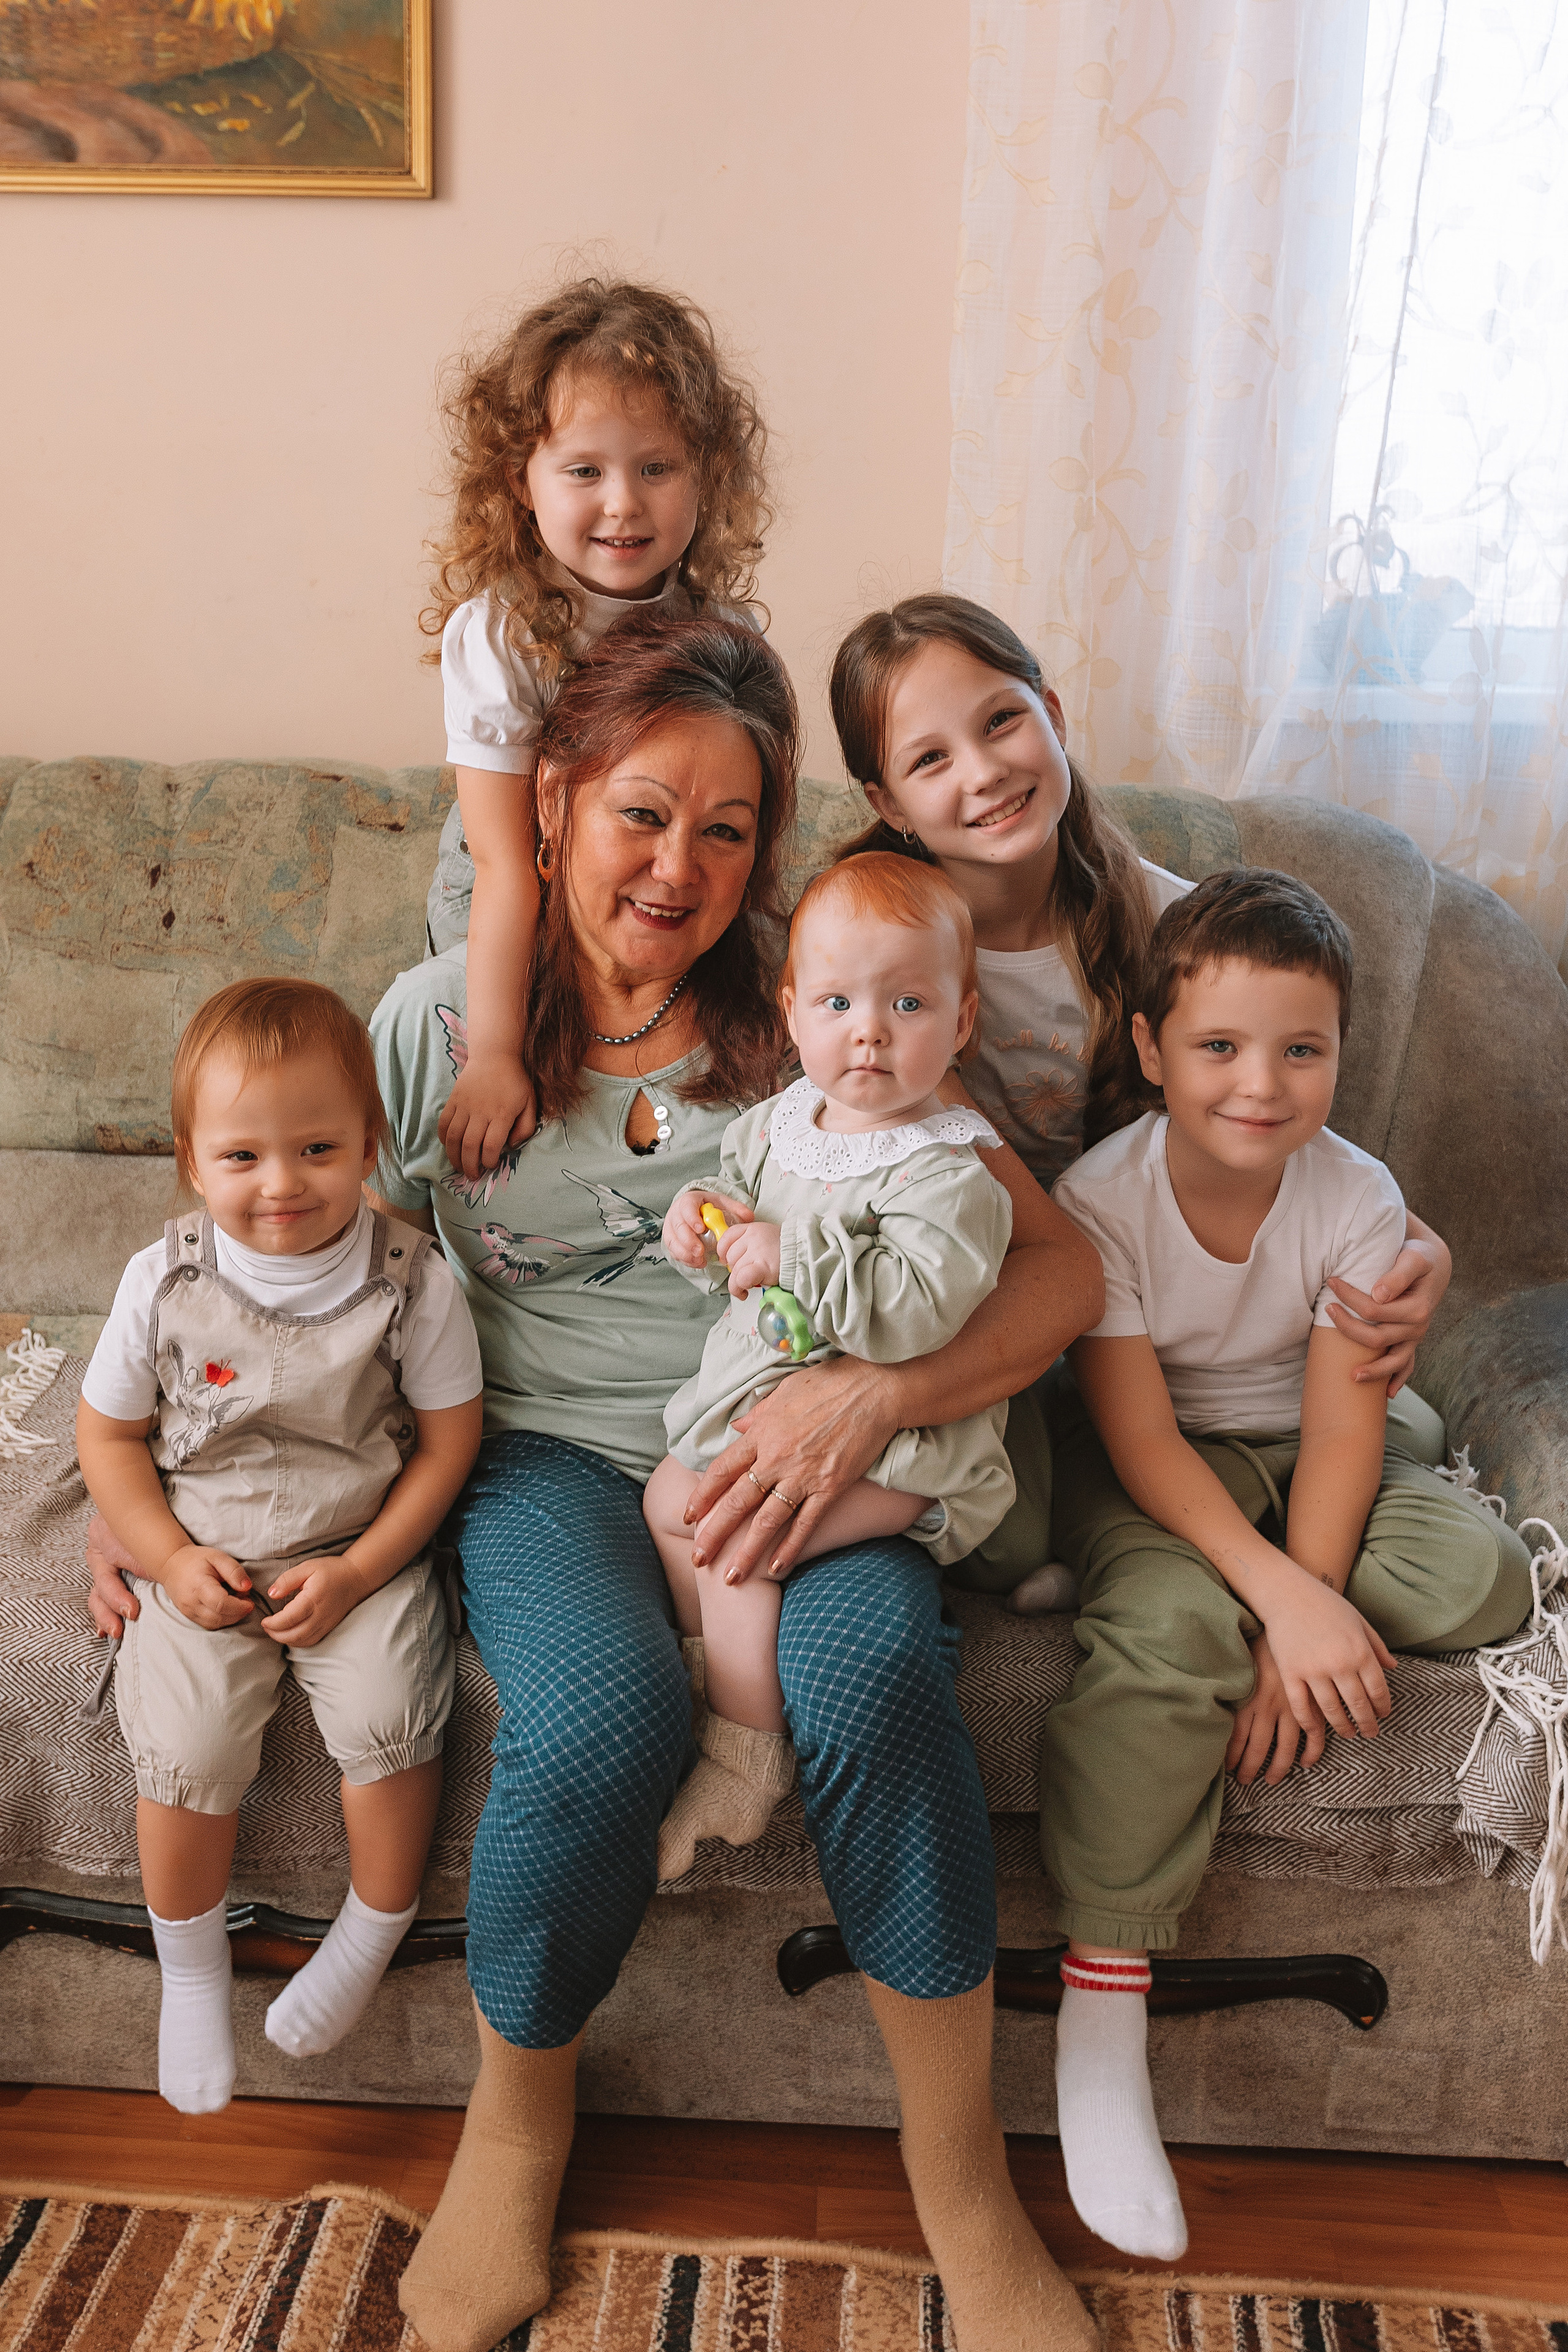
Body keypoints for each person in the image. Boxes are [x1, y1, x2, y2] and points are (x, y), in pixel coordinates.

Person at [360, 605, 1104, 2352]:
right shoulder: (434, 1027)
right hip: (544, 1459)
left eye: (725, 827)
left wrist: (875, 1400)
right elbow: (335, 1287)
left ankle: (959, 2178)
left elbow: (1063, 1274)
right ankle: (516, 2124)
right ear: (553, 811)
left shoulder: (821, 1017)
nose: (677, 865)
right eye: (641, 812)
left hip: (801, 1436)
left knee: (868, 1687)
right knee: (606, 1711)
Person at [1044, 869, 1533, 2261]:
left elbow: (1337, 1429)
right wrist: (1269, 1603)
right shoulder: (1104, 1197)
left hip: (1315, 1451)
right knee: (1171, 1632)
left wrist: (1297, 1616)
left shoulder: (1356, 1196)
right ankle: (1101, 2008)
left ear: (1337, 1053)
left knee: (1477, 1583)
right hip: (1155, 1469)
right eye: (1216, 1048)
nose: (1259, 1085)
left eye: (1299, 1051)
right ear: (1148, 1051)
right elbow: (1138, 1438)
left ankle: (1270, 1593)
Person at [826, 591, 1457, 1604]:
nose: (984, 772)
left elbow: (1274, 1126)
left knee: (1404, 1422)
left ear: (1054, 717)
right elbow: (1041, 1257)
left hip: (1158, 1310)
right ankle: (1147, 1532)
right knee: (1004, 1536)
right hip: (989, 1301)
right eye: (930, 759)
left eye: (1000, 722)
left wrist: (1420, 1244)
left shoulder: (1166, 918)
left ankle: (1279, 1534)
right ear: (889, 802)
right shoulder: (883, 964)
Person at [77, 979, 484, 2116]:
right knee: (191, 1739)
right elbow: (108, 1433)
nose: (282, 1183)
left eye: (317, 1147)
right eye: (244, 1156)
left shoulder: (411, 1281)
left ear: (371, 1145)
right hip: (204, 1549)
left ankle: (373, 1925)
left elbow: (448, 1446)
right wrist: (162, 1556)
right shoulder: (162, 1279)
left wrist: (362, 1569)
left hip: (360, 1547)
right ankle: (193, 1971)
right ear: (194, 1162)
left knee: (389, 1717)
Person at [646, 854, 1017, 1879]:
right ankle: (719, 1666)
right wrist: (703, 1226)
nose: (871, 1030)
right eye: (840, 1001)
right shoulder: (777, 1125)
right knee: (667, 1501)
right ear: (793, 1012)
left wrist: (793, 1254)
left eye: (909, 1002)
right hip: (770, 1407)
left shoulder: (952, 1168)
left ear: (962, 1021)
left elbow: (917, 1311)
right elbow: (742, 1237)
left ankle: (744, 1751)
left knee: (735, 1538)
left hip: (903, 1456)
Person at [421, 274, 770, 1187]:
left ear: (706, 475)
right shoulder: (503, 632)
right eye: (585, 471)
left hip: (655, 886)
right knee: (523, 1059)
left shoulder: (718, 628)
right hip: (509, 885)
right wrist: (496, 1055)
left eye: (657, 468)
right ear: (521, 482)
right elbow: (502, 864)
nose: (624, 504)